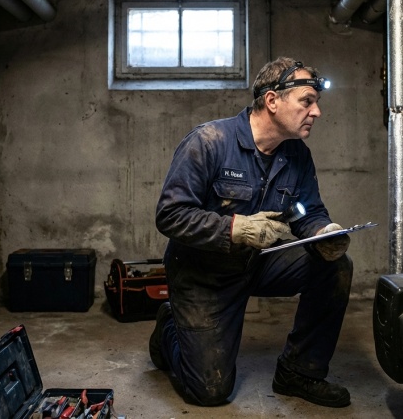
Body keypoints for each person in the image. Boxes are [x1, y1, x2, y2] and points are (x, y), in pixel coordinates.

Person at [151, 56, 354, 408]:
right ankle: (169, 329)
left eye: (316, 102)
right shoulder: (210, 141)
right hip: (203, 274)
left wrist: (324, 230)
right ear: (272, 101)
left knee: (335, 266)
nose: (317, 111)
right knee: (209, 391)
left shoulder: (297, 156)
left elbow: (305, 210)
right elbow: (170, 215)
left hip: (257, 263)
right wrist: (236, 228)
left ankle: (299, 372)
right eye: (307, 101)